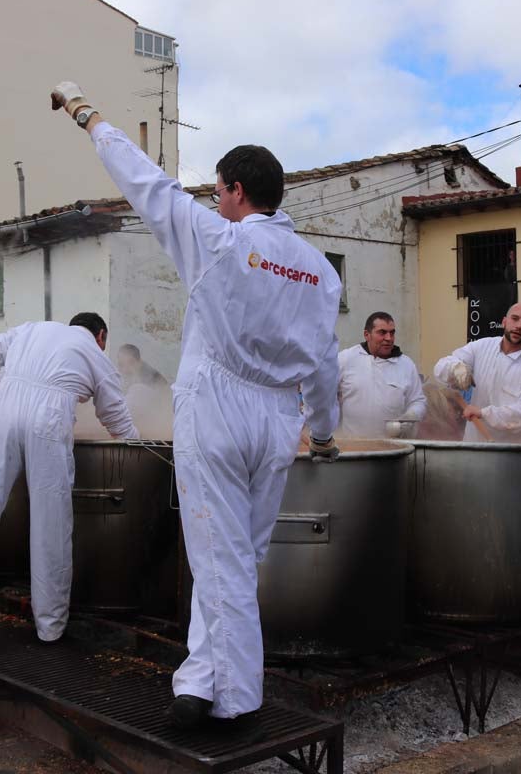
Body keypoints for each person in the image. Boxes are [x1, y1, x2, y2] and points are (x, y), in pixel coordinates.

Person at [52, 81, 341, 733]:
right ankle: (200, 678)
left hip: (217, 407)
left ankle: (236, 699)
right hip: (277, 420)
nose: (215, 199)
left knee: (219, 557)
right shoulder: (320, 271)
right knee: (237, 556)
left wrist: (86, 113)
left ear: (236, 191)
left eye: (219, 190)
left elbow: (146, 182)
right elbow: (324, 361)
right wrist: (322, 431)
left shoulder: (222, 241)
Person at [0, 314, 137, 646]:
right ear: (101, 336)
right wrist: (139, 447)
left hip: (1, 412)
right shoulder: (95, 354)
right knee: (50, 522)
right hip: (48, 420)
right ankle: (49, 626)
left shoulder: (33, 328)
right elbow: (116, 417)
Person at [432, 303, 521, 444]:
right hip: (474, 447)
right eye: (515, 319)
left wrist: (483, 413)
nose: (519, 326)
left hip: (513, 454)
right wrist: (456, 368)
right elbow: (440, 368)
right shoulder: (481, 347)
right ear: (504, 321)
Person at [336, 311, 426, 438]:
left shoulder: (406, 364)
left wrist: (411, 416)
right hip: (353, 446)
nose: (388, 338)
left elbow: (418, 401)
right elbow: (325, 396)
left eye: (392, 332)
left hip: (394, 446)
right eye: (382, 332)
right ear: (367, 335)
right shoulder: (345, 359)